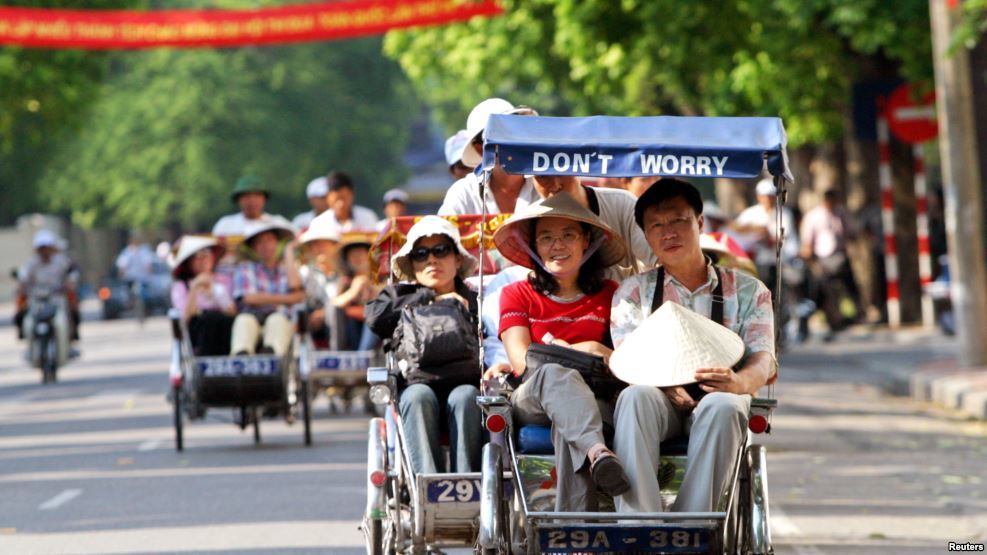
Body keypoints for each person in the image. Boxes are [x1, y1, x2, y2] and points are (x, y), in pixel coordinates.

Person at [608, 178, 776, 514]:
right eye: (656, 225)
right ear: (645, 235)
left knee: (725, 406)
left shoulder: (747, 290)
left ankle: (694, 530)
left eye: (678, 221)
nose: (668, 233)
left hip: (721, 395)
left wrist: (739, 382)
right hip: (659, 398)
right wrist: (666, 387)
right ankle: (641, 531)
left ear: (700, 223)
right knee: (634, 397)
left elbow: (764, 358)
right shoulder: (632, 293)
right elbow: (629, 362)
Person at [484, 192, 631, 512]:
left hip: (594, 402)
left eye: (568, 235)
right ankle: (598, 453)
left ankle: (575, 535)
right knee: (554, 373)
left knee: (569, 425)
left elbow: (625, 358)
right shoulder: (516, 293)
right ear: (533, 246)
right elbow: (522, 360)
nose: (557, 245)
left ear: (586, 242)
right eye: (546, 237)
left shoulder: (612, 294)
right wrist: (590, 350)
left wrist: (581, 350)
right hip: (534, 394)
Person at [365, 216, 484, 474]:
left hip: (466, 385)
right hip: (416, 386)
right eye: (421, 254)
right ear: (412, 264)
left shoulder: (477, 300)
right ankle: (429, 491)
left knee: (466, 397)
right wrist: (427, 296)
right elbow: (375, 319)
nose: (432, 260)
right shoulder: (399, 296)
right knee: (418, 397)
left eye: (441, 250)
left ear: (458, 258)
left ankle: (467, 488)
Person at [530, 174, 656, 280]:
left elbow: (653, 264)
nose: (556, 185)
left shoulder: (621, 203)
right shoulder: (528, 219)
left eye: (562, 174)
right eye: (543, 177)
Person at [438, 98, 540, 216]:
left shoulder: (547, 184)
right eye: (496, 134)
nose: (509, 140)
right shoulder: (464, 194)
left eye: (513, 129)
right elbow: (442, 229)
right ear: (479, 148)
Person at [230, 217, 304, 355]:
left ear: (277, 243)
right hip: (253, 318)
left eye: (270, 240)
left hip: (280, 319)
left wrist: (288, 252)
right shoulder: (245, 267)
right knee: (244, 320)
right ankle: (241, 358)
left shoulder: (286, 269)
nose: (266, 246)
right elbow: (249, 298)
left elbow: (297, 289)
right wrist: (288, 298)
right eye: (260, 243)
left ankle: (271, 356)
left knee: (277, 320)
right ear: (253, 248)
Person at [799, 188, 861, 335]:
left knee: (849, 289)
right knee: (823, 292)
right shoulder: (814, 216)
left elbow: (852, 233)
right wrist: (810, 259)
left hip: (840, 256)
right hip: (822, 259)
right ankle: (831, 319)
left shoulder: (841, 213)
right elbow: (807, 241)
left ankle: (854, 316)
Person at [170, 236, 236, 356]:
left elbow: (232, 310)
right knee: (207, 319)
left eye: (206, 254)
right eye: (197, 257)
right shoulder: (182, 286)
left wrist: (215, 290)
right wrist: (195, 287)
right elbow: (186, 318)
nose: (202, 260)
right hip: (200, 332)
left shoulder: (225, 280)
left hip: (226, 329)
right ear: (189, 262)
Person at [16, 230, 80, 352]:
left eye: (46, 248)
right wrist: (22, 287)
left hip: (57, 297)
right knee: (20, 311)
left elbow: (72, 273)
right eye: (41, 248)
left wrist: (70, 282)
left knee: (73, 309)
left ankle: (73, 335)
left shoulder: (61, 261)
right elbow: (23, 278)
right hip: (37, 299)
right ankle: (24, 336)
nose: (44, 251)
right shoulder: (31, 263)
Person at [734, 178, 798, 291]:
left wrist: (768, 236)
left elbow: (783, 238)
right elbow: (736, 229)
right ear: (759, 197)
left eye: (770, 196)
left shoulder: (784, 214)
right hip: (755, 262)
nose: (767, 199)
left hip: (779, 261)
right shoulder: (750, 213)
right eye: (764, 196)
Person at [298, 217, 342, 348]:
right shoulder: (304, 272)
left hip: (339, 322)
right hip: (311, 321)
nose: (318, 248)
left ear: (334, 246)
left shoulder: (344, 274)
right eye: (314, 244)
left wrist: (325, 312)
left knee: (335, 311)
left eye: (323, 243)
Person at [332, 233, 380, 351]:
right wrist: (354, 290)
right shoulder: (345, 281)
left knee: (373, 315)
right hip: (350, 331)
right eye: (352, 255)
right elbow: (334, 304)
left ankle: (362, 355)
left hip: (374, 330)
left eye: (360, 253)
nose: (357, 258)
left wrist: (372, 288)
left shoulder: (381, 280)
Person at [308, 171, 379, 233]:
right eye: (336, 199)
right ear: (328, 197)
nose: (340, 204)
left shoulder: (368, 217)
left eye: (344, 198)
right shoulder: (319, 224)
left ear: (352, 194)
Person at [212, 176, 277, 238]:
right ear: (238, 200)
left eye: (257, 195)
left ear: (264, 199)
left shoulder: (277, 224)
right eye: (247, 196)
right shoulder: (225, 225)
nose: (252, 200)